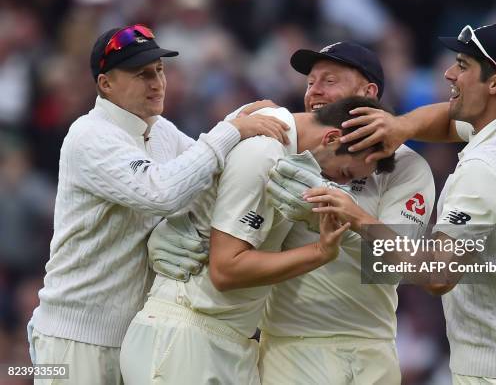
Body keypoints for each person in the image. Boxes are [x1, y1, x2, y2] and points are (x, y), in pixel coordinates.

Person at [148, 41, 435, 384]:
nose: (315, 91)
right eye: (311, 82)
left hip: (369, 346)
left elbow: (401, 267)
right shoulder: (279, 144)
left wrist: (344, 213)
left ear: (367, 91)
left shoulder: (405, 166)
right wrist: (188, 223)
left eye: (329, 81)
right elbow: (207, 195)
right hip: (287, 346)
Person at [27, 24, 288, 385]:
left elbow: (205, 169)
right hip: (73, 340)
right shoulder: (88, 135)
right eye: (141, 74)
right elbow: (162, 193)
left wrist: (251, 120)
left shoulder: (159, 128)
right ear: (105, 84)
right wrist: (232, 128)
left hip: (135, 333)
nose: (157, 83)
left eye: (160, 71)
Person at [305, 24, 496, 384]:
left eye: (462, 65)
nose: (448, 73)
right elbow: (448, 121)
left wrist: (358, 217)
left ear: (495, 83)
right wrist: (400, 126)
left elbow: (436, 274)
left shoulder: (484, 173)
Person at [119, 96, 396, 384]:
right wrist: (320, 252)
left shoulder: (271, 131)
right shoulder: (264, 148)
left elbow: (428, 271)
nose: (338, 184)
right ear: (331, 137)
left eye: (329, 80)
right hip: (188, 334)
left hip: (229, 341)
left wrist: (355, 219)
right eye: (344, 173)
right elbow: (226, 269)